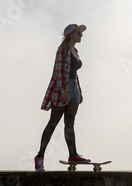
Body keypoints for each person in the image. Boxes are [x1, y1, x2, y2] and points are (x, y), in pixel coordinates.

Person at [34, 24, 91, 172]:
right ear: (71, 34)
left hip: (73, 89)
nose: (81, 35)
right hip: (62, 88)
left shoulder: (75, 51)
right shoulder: (63, 49)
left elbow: (74, 72)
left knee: (70, 123)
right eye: (78, 32)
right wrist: (63, 89)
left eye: (81, 32)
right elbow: (59, 71)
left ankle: (73, 155)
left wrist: (79, 90)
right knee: (53, 122)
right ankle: (40, 157)